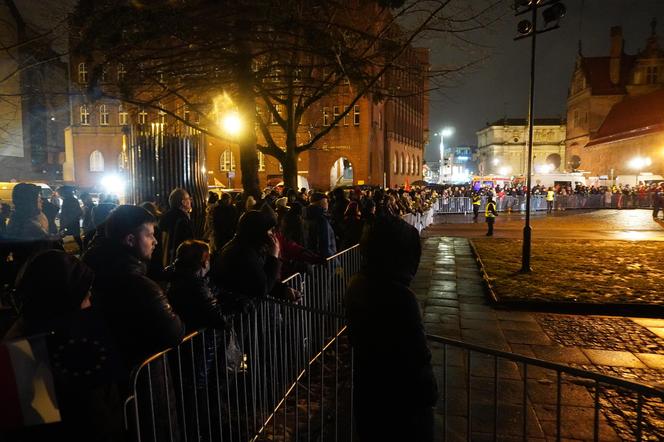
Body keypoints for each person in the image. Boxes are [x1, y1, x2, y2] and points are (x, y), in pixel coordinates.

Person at [2, 250, 124, 442]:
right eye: (85, 296)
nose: (89, 303)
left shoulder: (26, 337)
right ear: (65, 298)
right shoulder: (40, 352)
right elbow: (92, 422)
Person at [345, 215, 437, 442]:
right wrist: (429, 391)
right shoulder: (399, 297)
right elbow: (416, 358)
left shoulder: (359, 283)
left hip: (371, 396)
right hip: (401, 407)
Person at [82, 205, 184, 387]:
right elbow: (174, 333)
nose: (155, 241)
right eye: (149, 235)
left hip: (108, 376)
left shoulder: (91, 270)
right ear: (130, 239)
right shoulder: (140, 286)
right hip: (141, 378)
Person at [210, 210, 281, 310]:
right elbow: (261, 287)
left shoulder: (246, 247)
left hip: (247, 308)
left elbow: (258, 278)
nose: (271, 235)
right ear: (259, 231)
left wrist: (282, 290)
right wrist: (273, 257)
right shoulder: (243, 253)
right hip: (244, 313)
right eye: (269, 231)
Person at [159, 188, 194, 268]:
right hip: (179, 262)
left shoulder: (165, 217)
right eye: (189, 198)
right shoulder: (183, 219)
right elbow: (188, 243)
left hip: (164, 261)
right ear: (183, 202)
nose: (190, 201)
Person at [303, 192, 337, 258]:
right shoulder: (321, 220)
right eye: (326, 201)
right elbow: (324, 244)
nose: (328, 204)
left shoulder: (305, 216)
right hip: (325, 258)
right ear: (322, 202)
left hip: (310, 256)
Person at [59, 187, 83, 251]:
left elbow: (64, 213)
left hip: (69, 223)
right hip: (74, 223)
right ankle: (82, 249)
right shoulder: (74, 200)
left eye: (61, 193)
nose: (60, 194)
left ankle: (60, 251)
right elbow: (80, 212)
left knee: (60, 236)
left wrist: (63, 224)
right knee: (77, 237)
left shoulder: (66, 200)